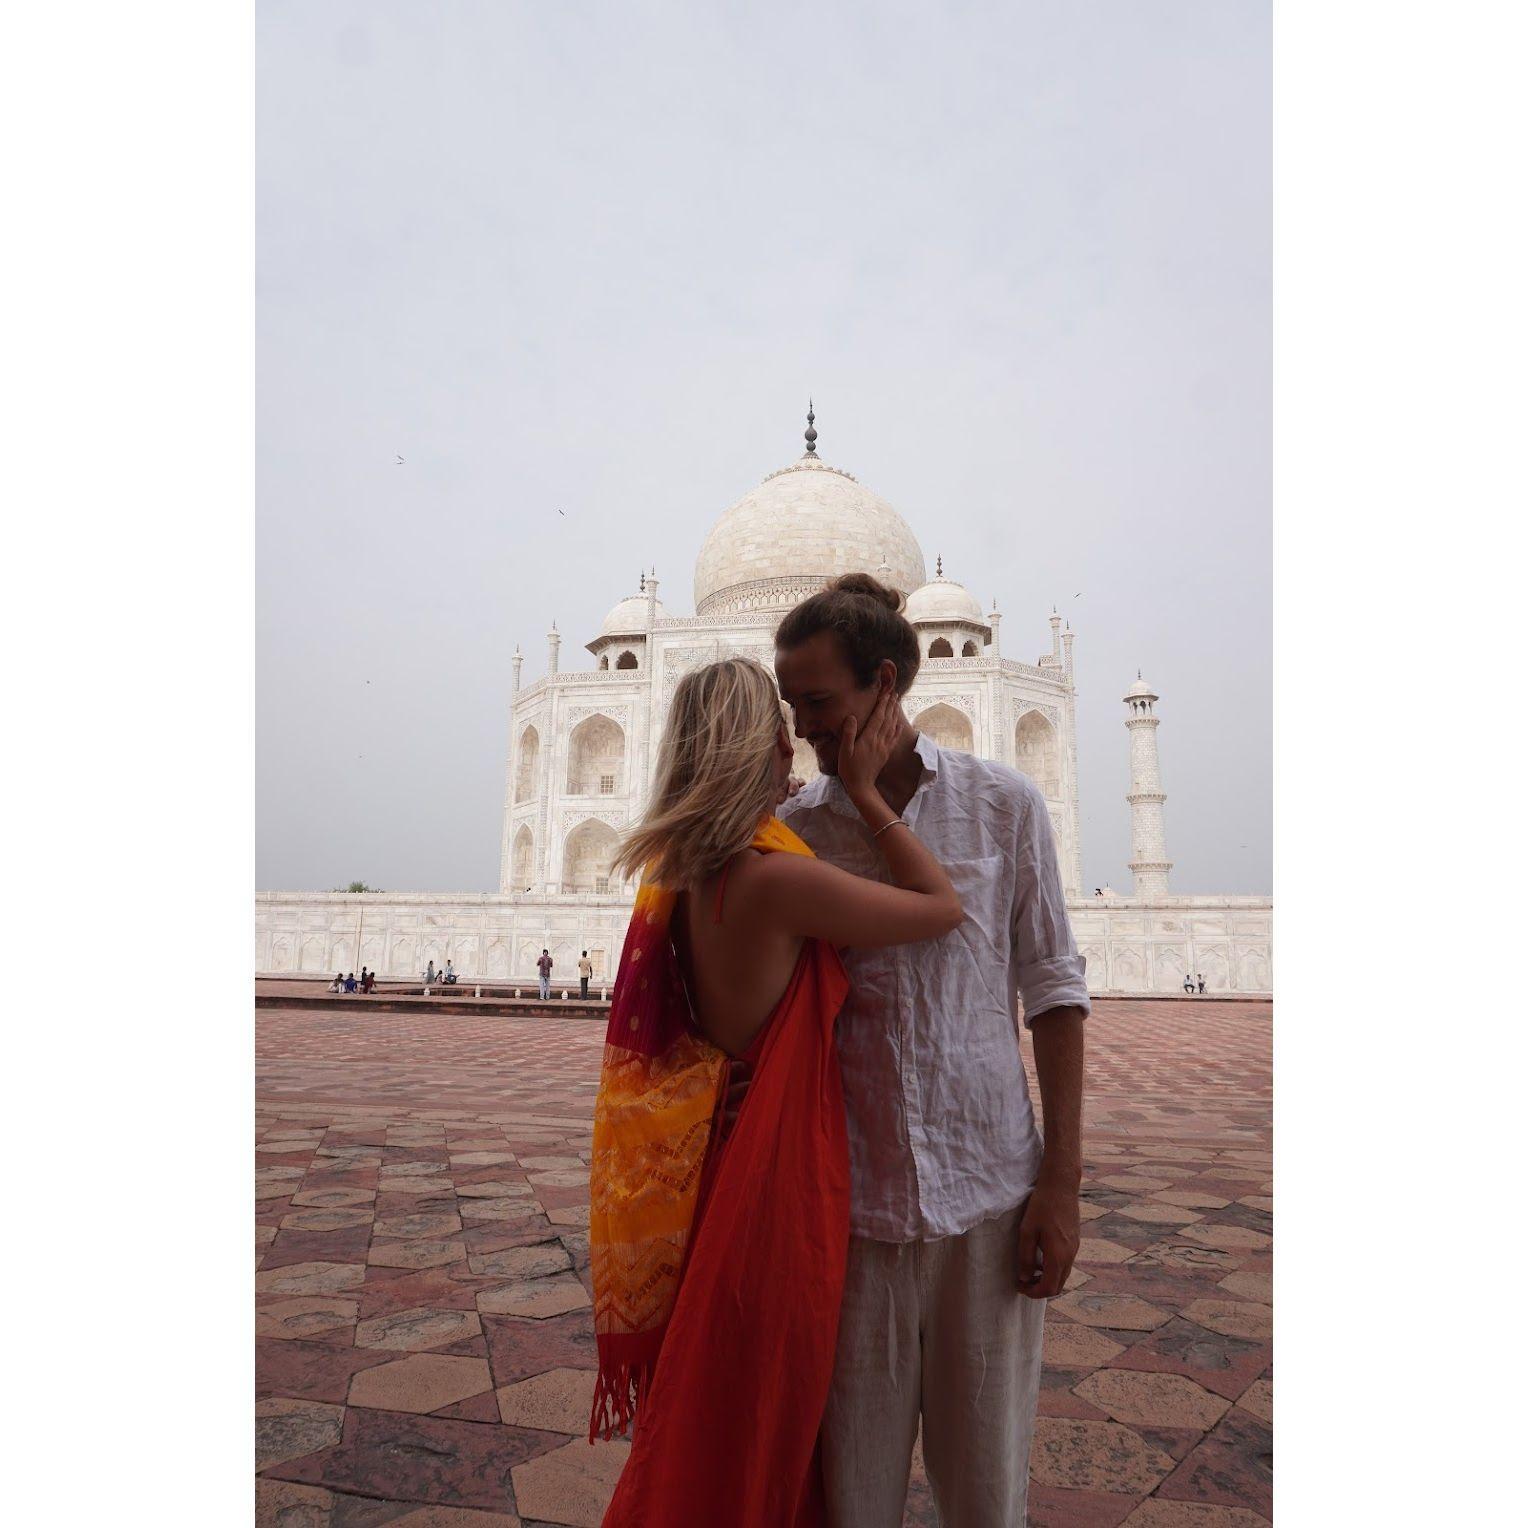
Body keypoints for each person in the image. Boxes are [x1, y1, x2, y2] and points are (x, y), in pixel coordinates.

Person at [589, 655, 964, 1527]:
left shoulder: (679, 878)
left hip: (723, 1158)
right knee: (766, 1423)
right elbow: (942, 906)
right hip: (775, 1181)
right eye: (779, 741)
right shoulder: (775, 879)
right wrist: (869, 794)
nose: (795, 760)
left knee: (718, 1410)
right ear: (749, 752)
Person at [773, 573, 1090, 1527]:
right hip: (853, 1212)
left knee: (987, 1497)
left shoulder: (1003, 806)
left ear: (885, 685)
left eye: (821, 705)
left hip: (989, 1202)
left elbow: (1054, 989)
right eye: (794, 709)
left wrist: (1062, 1183)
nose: (807, 732)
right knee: (849, 1500)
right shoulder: (796, 833)